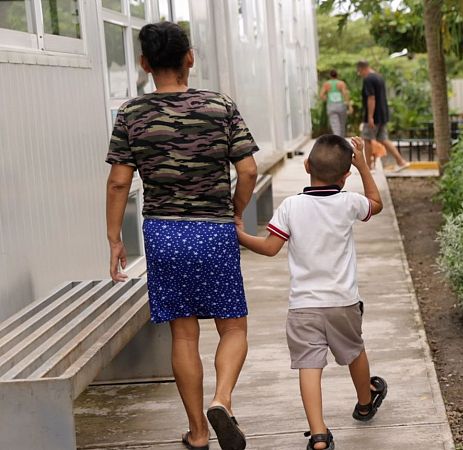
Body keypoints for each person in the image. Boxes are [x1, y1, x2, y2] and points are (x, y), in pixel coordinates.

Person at [105, 21, 255, 450]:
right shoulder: (220, 106)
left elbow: (118, 183)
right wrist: (236, 212)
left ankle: (198, 432)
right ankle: (222, 400)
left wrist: (116, 238)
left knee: (184, 335)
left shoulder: (131, 113)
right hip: (214, 231)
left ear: (144, 63)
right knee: (233, 328)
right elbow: (247, 170)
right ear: (190, 57)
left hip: (163, 233)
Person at [235, 135, 389, 450]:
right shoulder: (348, 202)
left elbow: (269, 248)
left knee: (309, 366)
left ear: (306, 166)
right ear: (346, 176)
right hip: (342, 302)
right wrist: (362, 167)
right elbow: (376, 202)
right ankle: (364, 401)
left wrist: (239, 234)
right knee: (354, 351)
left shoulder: (291, 206)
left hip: (303, 305)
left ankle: (319, 435)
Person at [355, 60, 410, 171]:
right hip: (382, 114)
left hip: (373, 116)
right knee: (383, 139)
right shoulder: (379, 77)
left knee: (367, 139)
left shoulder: (368, 79)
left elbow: (371, 98)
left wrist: (370, 116)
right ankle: (401, 161)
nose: (359, 74)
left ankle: (368, 168)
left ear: (362, 69)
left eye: (359, 72)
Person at [319, 69, 351, 137]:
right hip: (341, 105)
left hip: (331, 105)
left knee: (335, 126)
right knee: (342, 124)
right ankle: (341, 139)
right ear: (337, 75)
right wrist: (349, 106)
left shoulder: (326, 84)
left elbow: (321, 95)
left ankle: (337, 140)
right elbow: (345, 94)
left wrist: (327, 99)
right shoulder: (341, 83)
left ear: (330, 75)